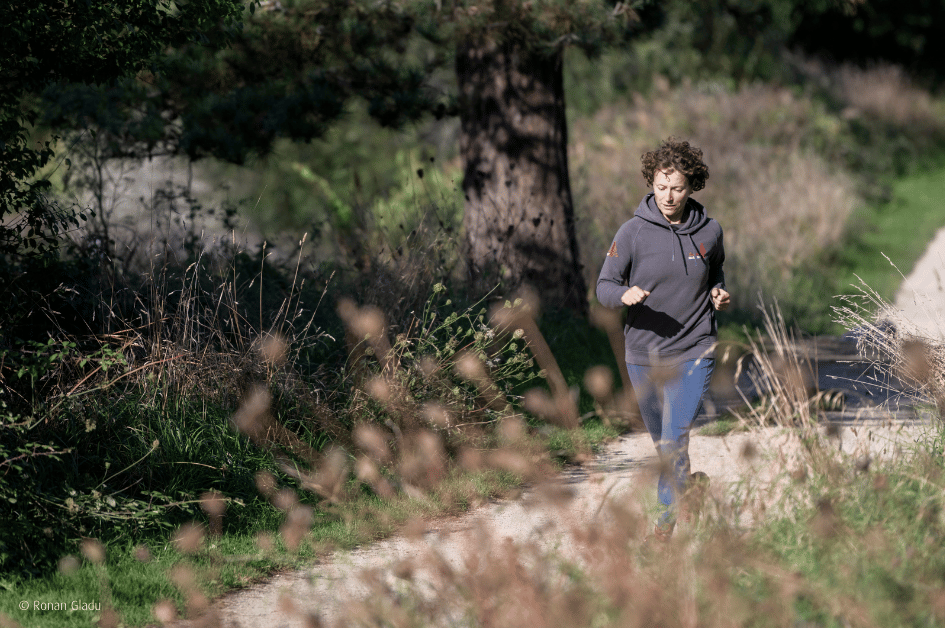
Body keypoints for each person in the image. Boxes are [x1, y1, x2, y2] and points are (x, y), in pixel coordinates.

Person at [596, 137, 730, 542]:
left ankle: (663, 526)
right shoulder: (633, 233)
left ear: (692, 187)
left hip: (695, 348)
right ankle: (690, 489)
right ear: (651, 183)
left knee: (674, 438)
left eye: (677, 188)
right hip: (643, 355)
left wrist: (718, 293)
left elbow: (716, 273)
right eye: (661, 186)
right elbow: (603, 287)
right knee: (664, 446)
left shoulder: (710, 231)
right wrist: (623, 294)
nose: (669, 196)